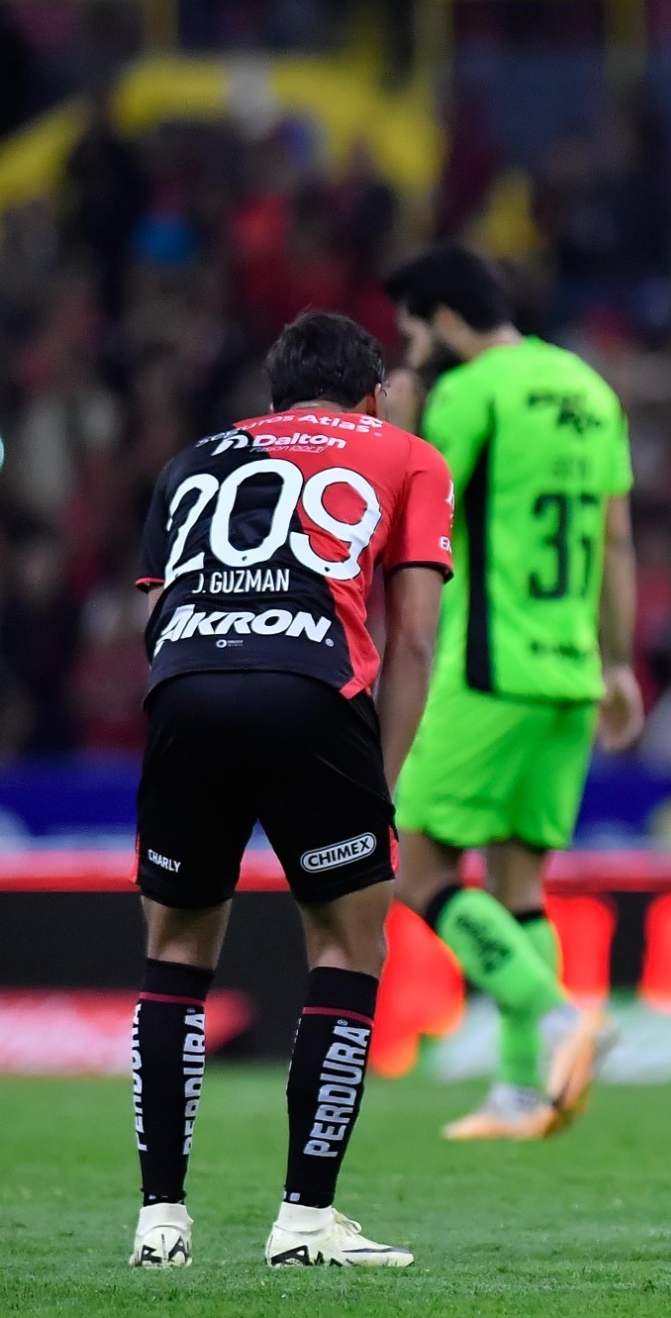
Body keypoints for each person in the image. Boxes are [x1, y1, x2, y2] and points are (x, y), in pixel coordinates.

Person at [128, 311, 452, 1268]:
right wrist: (376, 785)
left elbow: (151, 617)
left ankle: (160, 1225)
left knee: (175, 954)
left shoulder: (191, 460)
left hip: (184, 685)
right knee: (347, 950)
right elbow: (417, 639)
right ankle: (304, 1222)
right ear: (374, 393)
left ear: (272, 401)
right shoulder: (404, 453)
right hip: (311, 686)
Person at [383, 246, 643, 1140]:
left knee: (417, 872)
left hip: (487, 670)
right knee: (518, 884)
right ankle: (518, 1089)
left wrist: (409, 417)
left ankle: (569, 1018)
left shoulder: (471, 392)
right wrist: (618, 665)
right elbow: (617, 542)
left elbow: (410, 502)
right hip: (570, 671)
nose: (413, 351)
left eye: (415, 332)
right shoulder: (589, 389)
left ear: (447, 320)